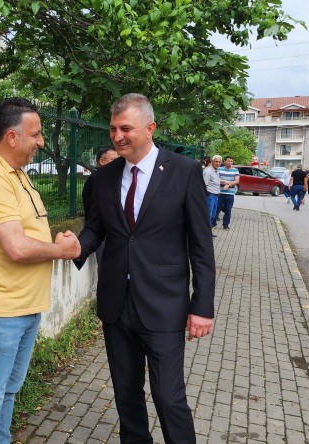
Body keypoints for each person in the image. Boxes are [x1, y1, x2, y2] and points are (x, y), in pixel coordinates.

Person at [74, 93, 215, 444]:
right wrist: (75, 246)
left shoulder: (184, 172)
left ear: (150, 128)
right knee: (126, 395)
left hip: (164, 304)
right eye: (112, 129)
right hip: (116, 305)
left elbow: (201, 246)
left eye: (126, 128)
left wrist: (202, 307)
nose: (117, 136)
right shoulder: (105, 178)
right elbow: (96, 228)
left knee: (169, 397)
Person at [0, 98, 81, 443]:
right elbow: (16, 247)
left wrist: (56, 241)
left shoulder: (18, 176)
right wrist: (60, 250)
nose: (41, 142)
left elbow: (29, 234)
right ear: (11, 138)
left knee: (8, 393)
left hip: (25, 309)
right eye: (36, 134)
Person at [82, 146, 119, 216]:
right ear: (102, 161)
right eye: (113, 160)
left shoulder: (104, 176)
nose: (117, 163)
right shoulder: (95, 178)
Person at [217, 156, 240, 229]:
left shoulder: (235, 170)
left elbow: (237, 181)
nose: (230, 162)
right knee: (216, 209)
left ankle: (226, 225)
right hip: (220, 193)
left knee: (228, 210)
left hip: (230, 193)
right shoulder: (219, 169)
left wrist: (228, 185)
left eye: (231, 161)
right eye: (228, 161)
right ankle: (212, 223)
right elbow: (217, 178)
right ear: (224, 161)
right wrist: (225, 182)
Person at [202, 154, 221, 237]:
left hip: (216, 195)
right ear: (212, 162)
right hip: (210, 195)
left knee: (213, 215)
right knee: (208, 216)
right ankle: (205, 234)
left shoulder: (217, 171)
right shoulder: (208, 172)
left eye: (219, 162)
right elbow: (203, 185)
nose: (218, 163)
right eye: (216, 161)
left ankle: (208, 232)